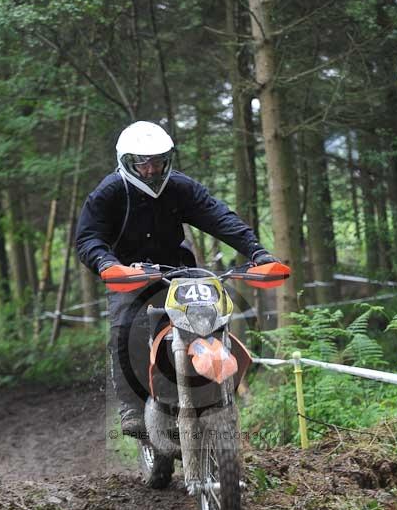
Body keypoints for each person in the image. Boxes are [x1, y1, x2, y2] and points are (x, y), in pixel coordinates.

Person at [76, 120, 278, 436]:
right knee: (126, 328)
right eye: (142, 163)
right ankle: (131, 406)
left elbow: (219, 217)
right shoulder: (110, 192)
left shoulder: (181, 188)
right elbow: (89, 237)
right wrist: (107, 264)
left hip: (178, 271)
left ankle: (215, 387)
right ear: (127, 162)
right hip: (129, 274)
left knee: (211, 315)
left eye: (158, 161)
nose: (151, 170)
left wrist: (257, 252)